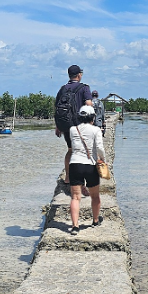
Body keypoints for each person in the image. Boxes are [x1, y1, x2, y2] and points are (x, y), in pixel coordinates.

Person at [68, 105, 106, 235]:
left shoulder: (73, 129)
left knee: (75, 197)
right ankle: (95, 220)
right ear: (93, 117)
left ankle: (75, 226)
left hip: (75, 164)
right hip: (90, 165)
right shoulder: (96, 130)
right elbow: (100, 148)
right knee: (95, 196)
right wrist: (103, 159)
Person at [54, 64, 92, 185]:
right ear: (79, 75)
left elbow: (57, 108)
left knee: (70, 150)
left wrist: (58, 126)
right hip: (79, 125)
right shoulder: (84, 88)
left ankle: (68, 178)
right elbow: (89, 105)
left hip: (66, 125)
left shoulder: (63, 89)